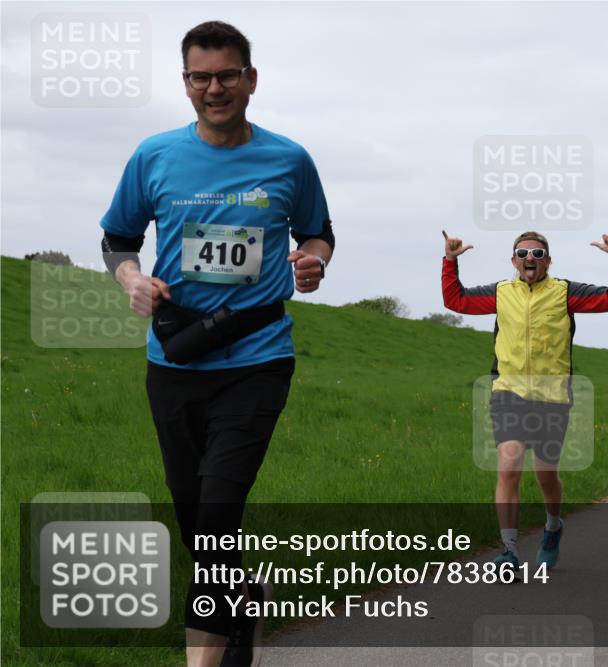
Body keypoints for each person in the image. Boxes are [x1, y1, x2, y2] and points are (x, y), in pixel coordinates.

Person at [99, 21, 334, 667]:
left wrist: (313, 261)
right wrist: (131, 280)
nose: (215, 88)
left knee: (216, 518)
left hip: (258, 357)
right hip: (175, 359)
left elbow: (319, 233)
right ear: (186, 84)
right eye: (201, 77)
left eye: (227, 75)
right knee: (197, 524)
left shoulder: (289, 159)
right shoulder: (155, 156)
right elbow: (117, 238)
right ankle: (240, 597)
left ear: (250, 79)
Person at [441, 225, 608, 572]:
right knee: (509, 463)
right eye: (524, 253)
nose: (531, 258)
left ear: (548, 261)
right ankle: (509, 552)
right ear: (514, 260)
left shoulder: (566, 292)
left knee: (546, 475)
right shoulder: (500, 293)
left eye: (538, 254)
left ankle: (553, 525)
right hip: (508, 392)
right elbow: (456, 300)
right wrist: (450, 261)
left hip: (552, 397)